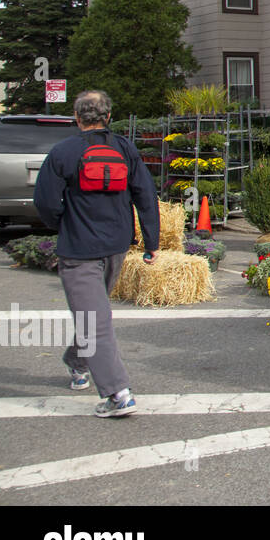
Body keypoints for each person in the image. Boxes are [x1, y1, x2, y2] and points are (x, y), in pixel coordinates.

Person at [33, 89, 160, 418]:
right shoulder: (125, 149)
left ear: (77, 118)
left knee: (93, 319)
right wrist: (152, 243)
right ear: (108, 116)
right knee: (94, 316)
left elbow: (45, 202)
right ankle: (94, 375)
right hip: (116, 248)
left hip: (79, 250)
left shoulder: (63, 152)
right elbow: (145, 196)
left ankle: (106, 386)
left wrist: (63, 224)